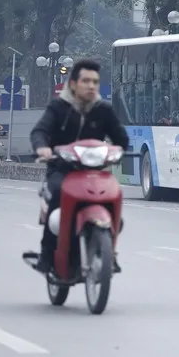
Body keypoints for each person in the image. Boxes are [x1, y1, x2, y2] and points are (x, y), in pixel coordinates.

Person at [26, 59, 129, 275]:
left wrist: (118, 150)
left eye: (95, 82)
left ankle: (111, 253)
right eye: (86, 81)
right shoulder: (58, 107)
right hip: (61, 170)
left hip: (95, 172)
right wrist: (43, 148)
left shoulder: (104, 110)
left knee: (115, 197)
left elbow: (121, 138)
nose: (91, 86)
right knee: (56, 199)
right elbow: (40, 131)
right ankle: (47, 256)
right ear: (73, 83)